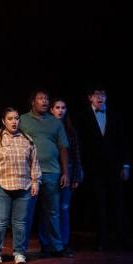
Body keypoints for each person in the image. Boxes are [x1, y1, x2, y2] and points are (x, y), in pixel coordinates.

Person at [73, 87, 131, 251]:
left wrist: (126, 165)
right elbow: (80, 145)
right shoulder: (82, 117)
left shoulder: (115, 116)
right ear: (90, 98)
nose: (100, 97)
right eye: (97, 95)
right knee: (99, 205)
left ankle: (123, 238)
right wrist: (81, 168)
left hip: (114, 168)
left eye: (103, 94)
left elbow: (123, 142)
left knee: (118, 203)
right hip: (93, 169)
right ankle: (102, 240)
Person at [0, 107, 41, 264]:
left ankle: (19, 252)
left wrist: (36, 181)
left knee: (20, 222)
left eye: (16, 118)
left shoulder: (27, 139)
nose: (14, 121)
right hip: (2, 185)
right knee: (0, 222)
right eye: (10, 118)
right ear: (3, 121)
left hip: (23, 186)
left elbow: (34, 163)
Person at [19, 89, 72, 258]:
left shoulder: (55, 123)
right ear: (32, 102)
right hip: (29, 174)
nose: (44, 101)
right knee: (27, 212)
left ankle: (56, 246)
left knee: (53, 211)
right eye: (41, 98)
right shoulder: (23, 120)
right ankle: (21, 249)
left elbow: (63, 147)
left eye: (47, 99)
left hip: (52, 172)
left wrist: (65, 173)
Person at [49, 98, 83, 252]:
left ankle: (63, 241)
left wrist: (75, 176)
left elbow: (76, 155)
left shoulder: (70, 130)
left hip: (67, 171)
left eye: (63, 107)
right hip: (50, 171)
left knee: (64, 207)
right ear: (51, 110)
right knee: (50, 208)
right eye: (57, 107)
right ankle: (50, 242)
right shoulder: (47, 127)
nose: (60, 110)